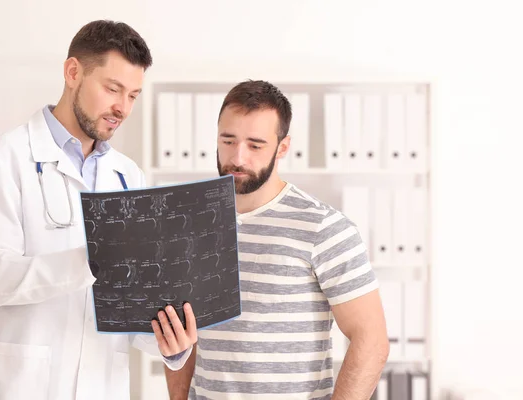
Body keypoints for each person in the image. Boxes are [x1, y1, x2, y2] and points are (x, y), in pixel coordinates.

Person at [0, 20, 197, 400]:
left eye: (133, 95)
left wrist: (170, 345)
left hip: (102, 387)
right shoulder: (3, 158)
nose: (123, 107)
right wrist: (92, 260)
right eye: (112, 89)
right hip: (21, 386)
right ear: (73, 73)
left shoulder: (127, 175)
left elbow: (127, 307)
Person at [165, 80, 389, 399]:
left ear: (282, 148)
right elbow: (182, 339)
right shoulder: (191, 225)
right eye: (228, 140)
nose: (237, 158)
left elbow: (372, 341)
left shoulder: (323, 226)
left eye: (255, 145)